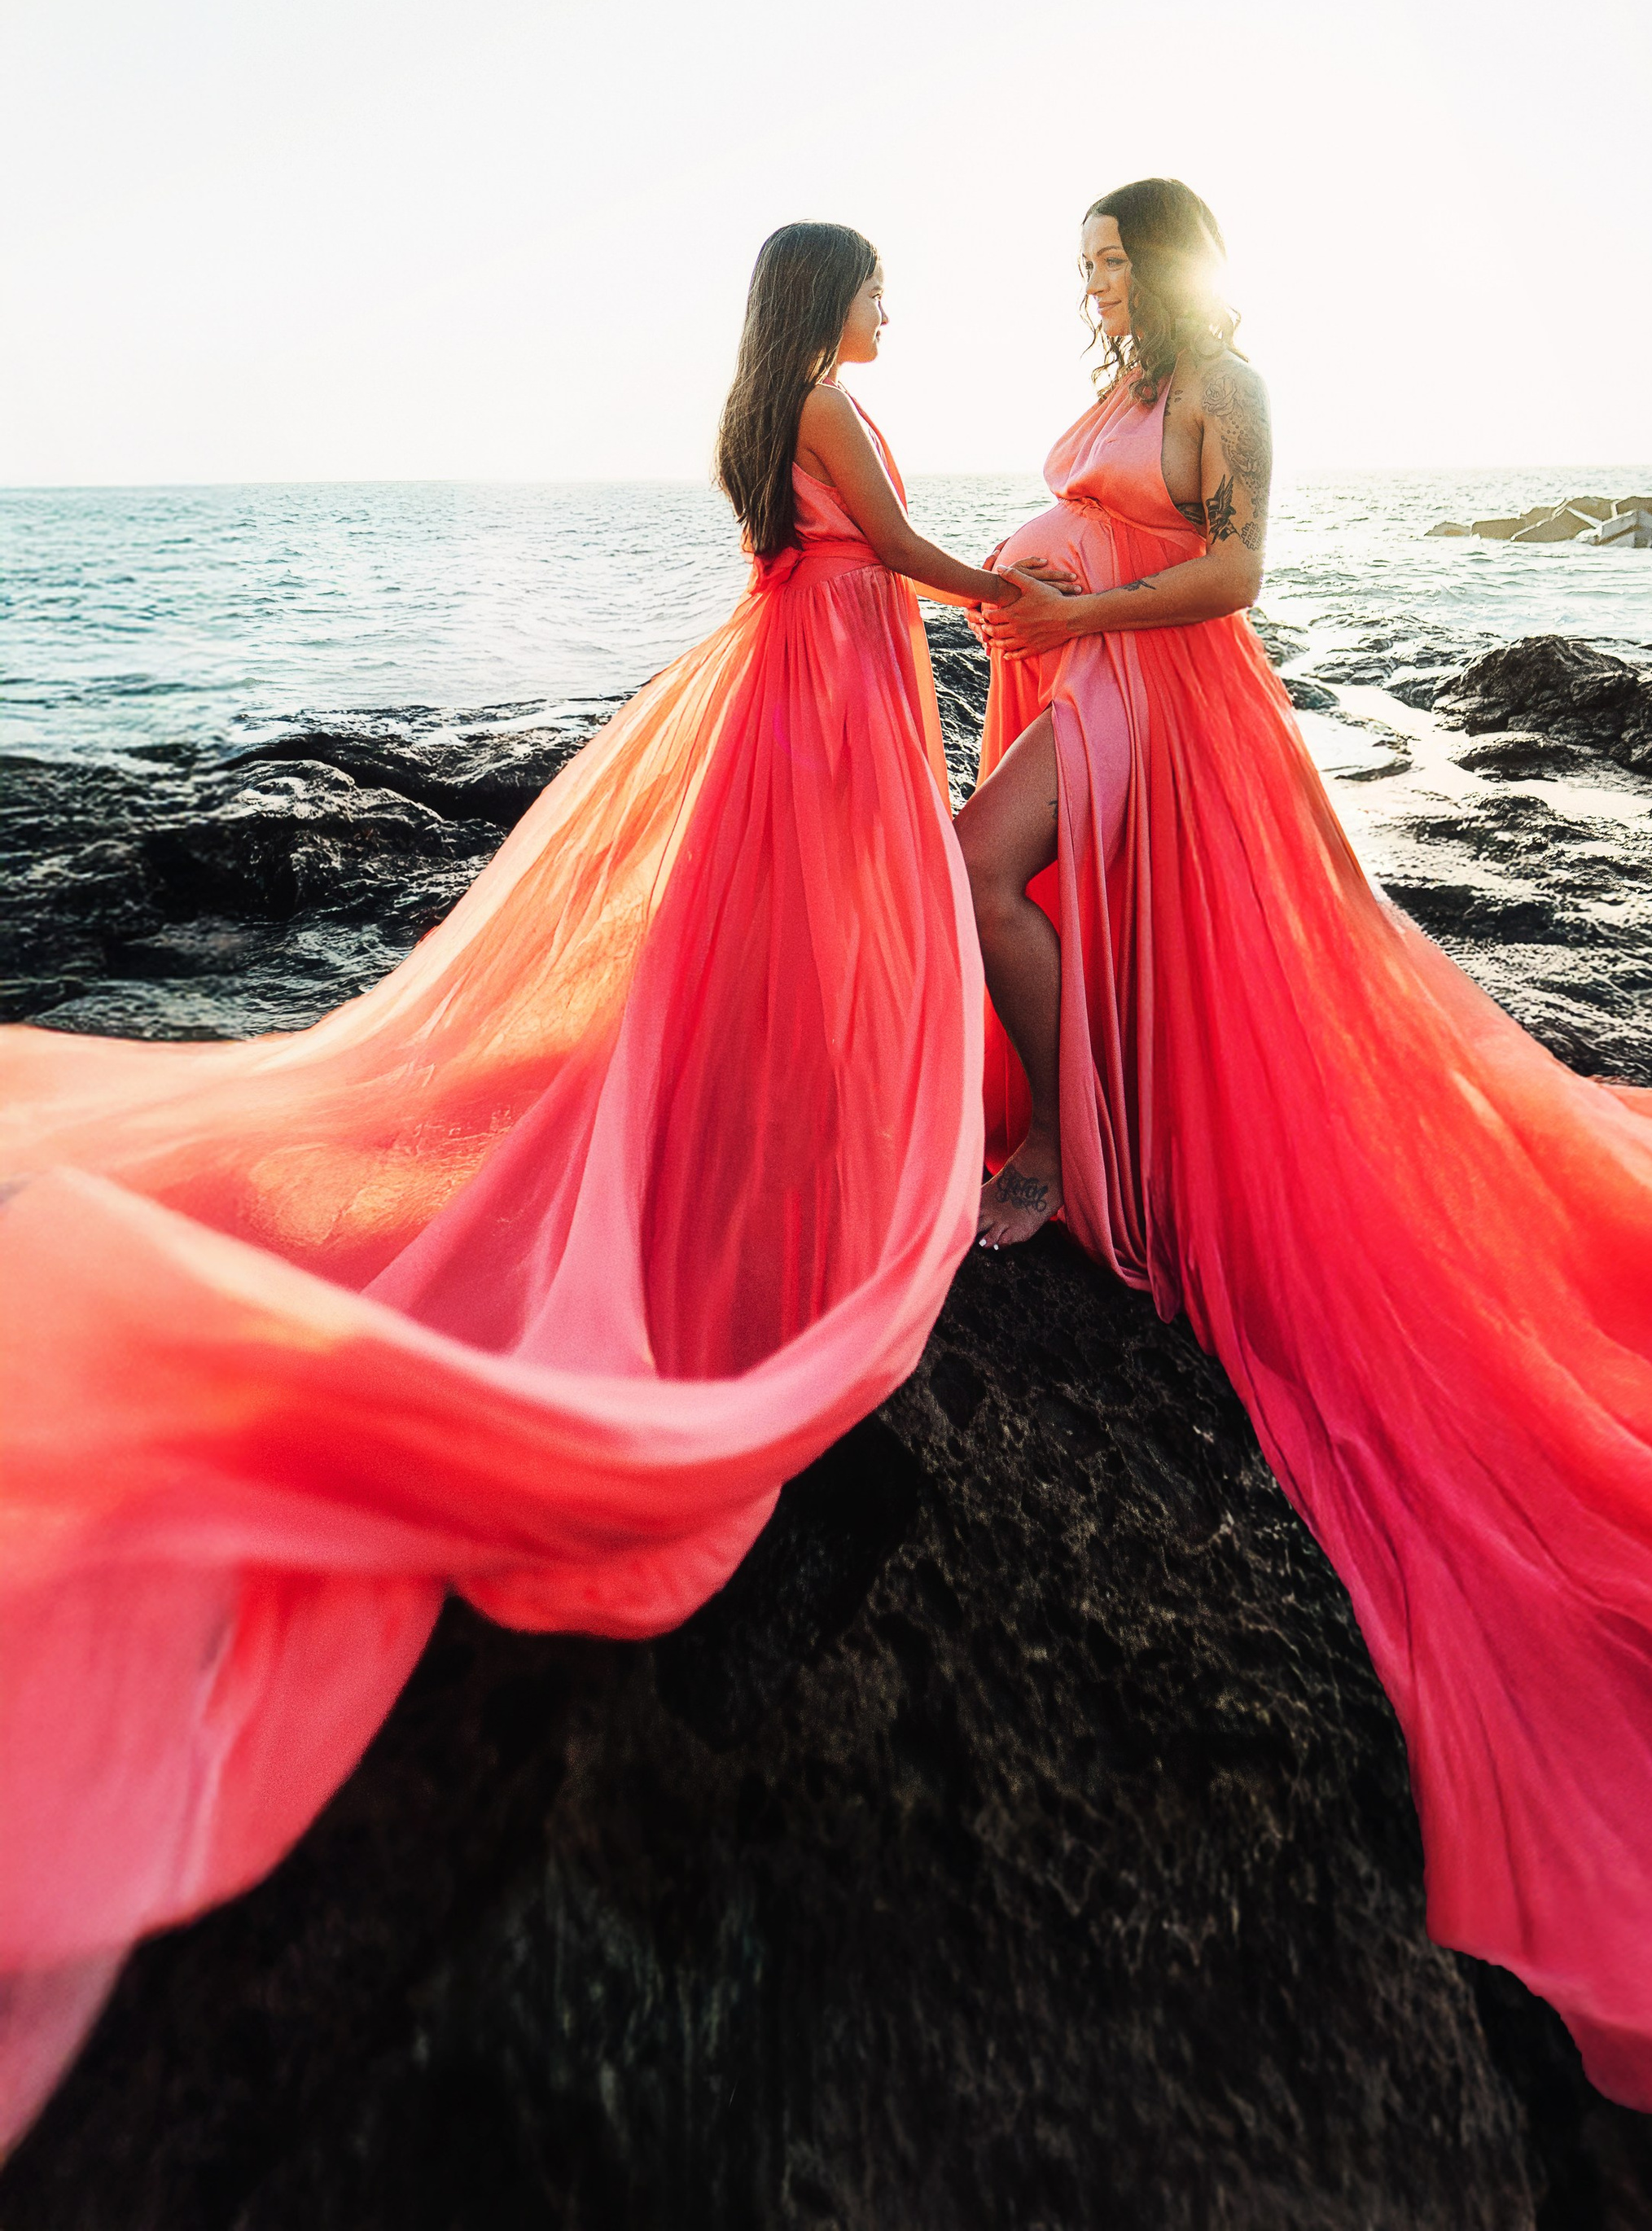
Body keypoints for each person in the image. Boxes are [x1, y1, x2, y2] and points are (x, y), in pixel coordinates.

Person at [957, 175, 1652, 2226]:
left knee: (977, 877)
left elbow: (1233, 584)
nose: (1094, 281)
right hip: (1087, 695)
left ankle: (1066, 1155)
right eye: (1084, 265)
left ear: (1178, 257)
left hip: (1169, 710)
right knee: (983, 873)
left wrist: (1070, 614)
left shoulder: (1224, 382)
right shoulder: (1124, 379)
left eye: (1116, 254)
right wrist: (1014, 600)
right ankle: (1077, 1138)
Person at [0, 221, 1049, 2154]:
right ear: (829, 302)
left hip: (793, 681)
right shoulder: (836, 406)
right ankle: (843, 1127)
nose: (896, 314)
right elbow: (892, 562)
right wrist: (1008, 586)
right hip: (831, 684)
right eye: (880, 286)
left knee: (790, 931)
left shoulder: (774, 407)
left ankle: (797, 1094)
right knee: (859, 921)